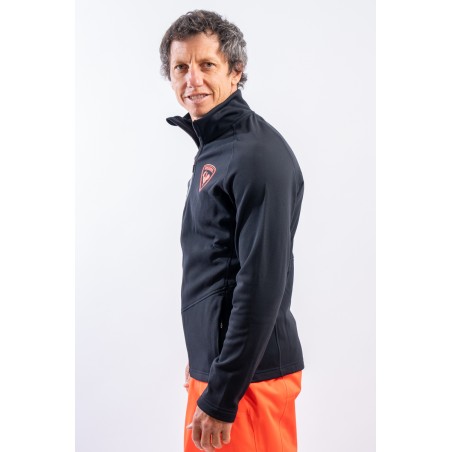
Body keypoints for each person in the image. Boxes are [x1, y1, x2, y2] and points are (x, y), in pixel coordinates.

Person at [160, 10, 305, 452]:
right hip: (219, 370)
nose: (192, 80)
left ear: (236, 71)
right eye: (181, 67)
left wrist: (224, 392)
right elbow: (215, 263)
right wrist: (204, 357)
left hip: (247, 383)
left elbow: (261, 284)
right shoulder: (217, 150)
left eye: (207, 64)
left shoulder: (256, 155)